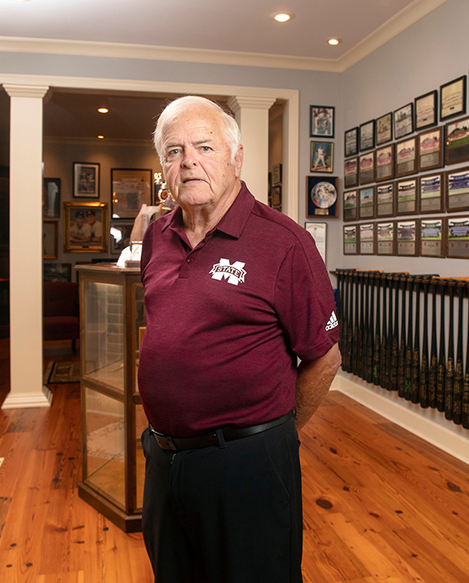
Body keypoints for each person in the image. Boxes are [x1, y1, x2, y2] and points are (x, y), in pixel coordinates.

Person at [138, 95, 341, 583]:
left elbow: (324, 357)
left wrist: (275, 435)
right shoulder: (156, 237)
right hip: (165, 461)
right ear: (163, 165)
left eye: (204, 147)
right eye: (173, 151)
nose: (188, 162)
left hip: (246, 465)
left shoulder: (284, 242)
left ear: (235, 156)